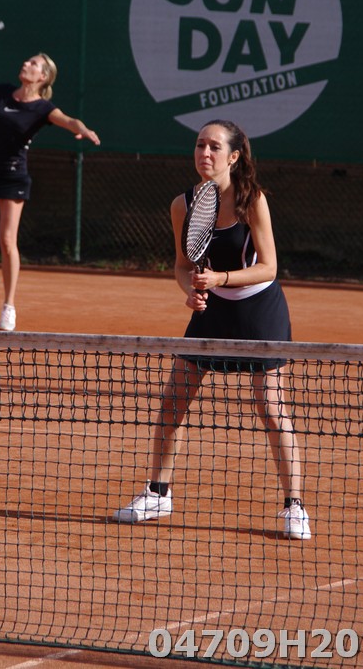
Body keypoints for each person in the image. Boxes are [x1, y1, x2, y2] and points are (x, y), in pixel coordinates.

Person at [113, 118, 311, 540]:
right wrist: (191, 292)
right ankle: (158, 493)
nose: (205, 153)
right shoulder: (182, 205)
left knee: (270, 407)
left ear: (234, 156)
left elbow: (269, 266)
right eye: (200, 145)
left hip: (259, 309)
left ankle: (295, 506)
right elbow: (182, 266)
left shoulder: (252, 200)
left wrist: (219, 278)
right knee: (173, 401)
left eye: (214, 147)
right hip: (213, 310)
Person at [0, 33, 100, 331]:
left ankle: (8, 306)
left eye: (33, 63)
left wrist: (83, 129)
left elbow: (69, 120)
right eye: (27, 61)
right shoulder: (3, 92)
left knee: (7, 240)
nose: (26, 64)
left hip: (12, 175)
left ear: (43, 76)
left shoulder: (43, 109)